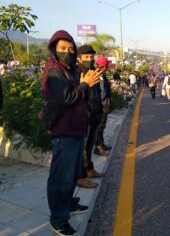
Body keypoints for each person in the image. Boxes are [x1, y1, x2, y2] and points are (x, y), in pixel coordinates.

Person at [41, 30, 101, 236]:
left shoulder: (70, 69)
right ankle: (58, 219)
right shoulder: (54, 70)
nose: (67, 52)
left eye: (70, 48)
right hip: (63, 130)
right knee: (61, 176)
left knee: (72, 173)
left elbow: (78, 92)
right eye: (62, 49)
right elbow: (67, 98)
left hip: (77, 128)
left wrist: (84, 83)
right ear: (54, 50)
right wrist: (85, 84)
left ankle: (67, 204)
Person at [76, 45, 104, 189]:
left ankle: (90, 170)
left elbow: (97, 93)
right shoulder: (77, 73)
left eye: (92, 57)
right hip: (84, 116)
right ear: (79, 58)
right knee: (81, 149)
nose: (90, 59)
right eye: (86, 57)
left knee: (89, 146)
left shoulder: (94, 71)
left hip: (95, 113)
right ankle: (81, 177)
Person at [95, 56, 112, 155]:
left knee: (102, 126)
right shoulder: (99, 75)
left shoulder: (102, 74)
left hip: (103, 104)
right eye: (107, 64)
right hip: (102, 105)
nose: (108, 66)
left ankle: (102, 144)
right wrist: (105, 104)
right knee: (100, 127)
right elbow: (103, 92)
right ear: (104, 66)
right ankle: (99, 148)